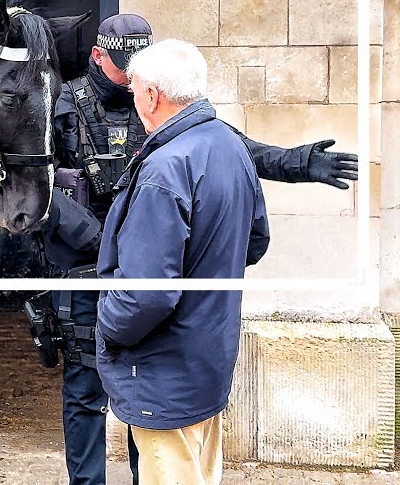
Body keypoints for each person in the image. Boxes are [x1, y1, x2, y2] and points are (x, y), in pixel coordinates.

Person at [31, 15, 358, 485]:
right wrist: (99, 239)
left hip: (145, 272)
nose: (132, 83)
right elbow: (32, 181)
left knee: (145, 398)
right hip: (88, 268)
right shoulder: (61, 105)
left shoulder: (165, 109)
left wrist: (299, 163)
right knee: (86, 391)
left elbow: (236, 149)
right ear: (98, 56)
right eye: (125, 69)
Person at [95, 39, 262, 485]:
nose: (131, 100)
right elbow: (256, 240)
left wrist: (106, 324)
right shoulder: (228, 144)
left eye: (134, 90)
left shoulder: (166, 168)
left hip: (163, 369)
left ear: (153, 95)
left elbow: (145, 295)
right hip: (206, 356)